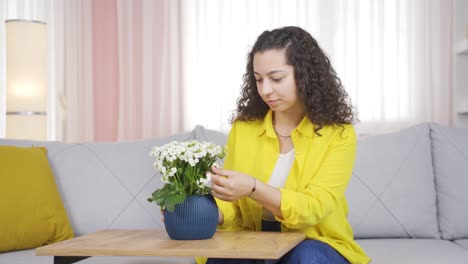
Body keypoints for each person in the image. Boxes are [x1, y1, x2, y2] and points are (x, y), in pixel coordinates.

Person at [200, 26, 371, 264]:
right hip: (254, 240)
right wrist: (197, 213)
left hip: (313, 242)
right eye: (258, 80)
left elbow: (312, 209)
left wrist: (253, 188)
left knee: (306, 256)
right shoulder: (244, 128)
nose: (265, 90)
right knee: (226, 258)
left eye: (276, 78)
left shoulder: (338, 134)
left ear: (304, 75)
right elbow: (233, 207)